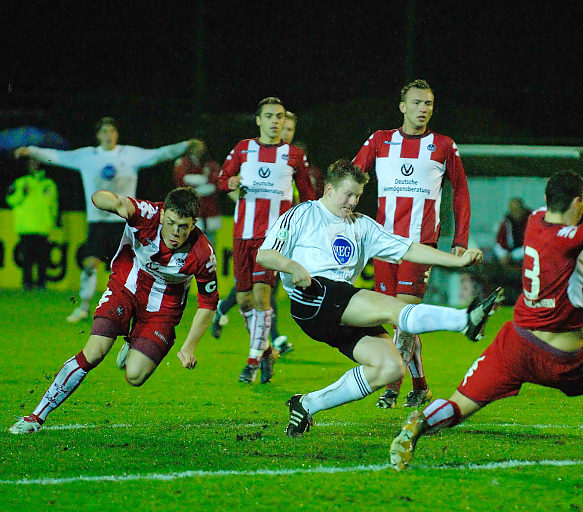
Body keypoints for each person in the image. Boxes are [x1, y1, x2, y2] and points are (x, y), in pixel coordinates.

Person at [389, 159, 583, 470]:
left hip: (514, 344)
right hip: (560, 360)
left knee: (459, 404)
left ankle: (420, 423)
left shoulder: (536, 219)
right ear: (577, 202)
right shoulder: (570, 239)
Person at [255, 159, 502, 438]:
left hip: (337, 303)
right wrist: (292, 266)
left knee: (390, 368)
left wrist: (457, 261)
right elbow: (265, 254)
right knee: (391, 308)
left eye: (358, 196)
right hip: (313, 296)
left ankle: (307, 404)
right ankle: (464, 320)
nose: (352, 202)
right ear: (329, 189)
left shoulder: (362, 225)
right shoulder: (303, 213)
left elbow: (408, 249)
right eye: (348, 194)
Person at [9, 187, 219, 434]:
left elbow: (208, 304)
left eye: (183, 226)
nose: (175, 232)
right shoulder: (146, 214)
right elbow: (108, 200)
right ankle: (36, 417)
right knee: (94, 352)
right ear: (163, 214)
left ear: (194, 223)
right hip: (125, 287)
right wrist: (110, 201)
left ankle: (133, 340)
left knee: (135, 376)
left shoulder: (203, 253)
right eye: (171, 223)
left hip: (162, 310)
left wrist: (189, 347)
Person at [353, 79, 472, 409]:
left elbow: (460, 192)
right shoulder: (380, 140)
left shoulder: (443, 145)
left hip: (420, 244)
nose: (423, 109)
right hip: (383, 243)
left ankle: (392, 387)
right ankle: (420, 387)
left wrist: (460, 239)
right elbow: (353, 176)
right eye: (417, 102)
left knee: (404, 314)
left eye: (428, 103)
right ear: (402, 106)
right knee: (398, 319)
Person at [14, 117, 201, 323]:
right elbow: (57, 156)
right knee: (90, 264)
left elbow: (160, 154)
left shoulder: (129, 154)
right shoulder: (87, 156)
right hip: (98, 222)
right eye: (104, 131)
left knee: (134, 270)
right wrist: (31, 151)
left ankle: (141, 310)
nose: (108, 135)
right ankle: (84, 308)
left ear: (116, 134)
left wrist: (185, 145)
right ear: (98, 135)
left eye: (111, 131)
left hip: (126, 223)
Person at [216, 97, 316, 385]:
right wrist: (230, 183)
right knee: (245, 301)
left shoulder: (294, 155)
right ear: (259, 120)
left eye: (280, 116)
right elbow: (222, 179)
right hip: (242, 234)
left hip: (273, 237)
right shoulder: (243, 148)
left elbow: (308, 196)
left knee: (262, 296)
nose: (275, 121)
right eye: (269, 116)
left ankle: (251, 363)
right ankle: (267, 352)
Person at [5, 158, 59, 290]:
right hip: (26, 227)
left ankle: (41, 283)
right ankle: (27, 283)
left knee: (43, 258)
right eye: (31, 163)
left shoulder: (49, 184)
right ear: (27, 166)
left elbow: (54, 205)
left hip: (43, 227)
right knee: (27, 258)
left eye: (36, 162)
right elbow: (11, 200)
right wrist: (21, 193)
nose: (34, 165)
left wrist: (53, 221)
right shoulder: (20, 182)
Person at [173, 140, 222, 245]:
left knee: (210, 241)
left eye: (201, 147)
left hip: (209, 209)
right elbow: (181, 181)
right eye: (197, 147)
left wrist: (197, 186)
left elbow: (215, 182)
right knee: (191, 238)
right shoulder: (183, 163)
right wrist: (203, 179)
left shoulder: (210, 164)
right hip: (191, 207)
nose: (200, 150)